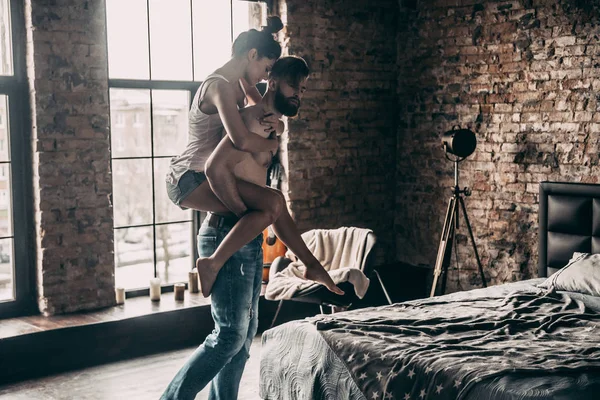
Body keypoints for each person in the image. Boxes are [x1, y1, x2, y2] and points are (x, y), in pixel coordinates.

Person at [161, 20, 342, 400]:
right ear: (258, 63)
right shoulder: (237, 108)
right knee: (229, 337)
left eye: (303, 90)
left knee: (241, 342)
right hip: (201, 199)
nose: (299, 95)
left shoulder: (260, 117)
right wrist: (252, 210)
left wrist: (309, 261)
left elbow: (277, 210)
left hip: (240, 235)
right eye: (293, 85)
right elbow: (219, 164)